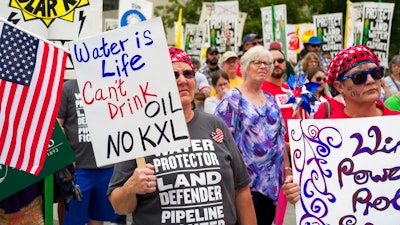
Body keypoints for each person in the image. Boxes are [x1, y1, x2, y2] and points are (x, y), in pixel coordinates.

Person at [107, 47, 257, 225]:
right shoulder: (138, 132)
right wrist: (131, 187)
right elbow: (120, 206)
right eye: (173, 75)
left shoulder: (216, 125)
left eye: (188, 73)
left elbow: (241, 190)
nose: (182, 80)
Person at [283, 45, 400, 204]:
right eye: (360, 77)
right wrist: (296, 190)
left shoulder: (396, 123)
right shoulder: (323, 133)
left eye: (376, 73)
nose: (371, 80)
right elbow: (315, 188)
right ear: (339, 87)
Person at [214, 46, 287, 225]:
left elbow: (280, 139)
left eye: (267, 63)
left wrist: (287, 171)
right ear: (246, 66)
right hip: (245, 186)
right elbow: (218, 138)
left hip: (272, 185)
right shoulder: (233, 99)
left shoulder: (270, 99)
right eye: (258, 62)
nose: (263, 66)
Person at [57, 79, 121, 225]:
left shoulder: (113, 85)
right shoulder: (68, 87)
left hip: (107, 167)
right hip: (77, 169)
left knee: (98, 217)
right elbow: (57, 123)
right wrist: (65, 153)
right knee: (72, 218)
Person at [261, 47, 298, 225]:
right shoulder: (261, 90)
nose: (276, 64)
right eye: (272, 61)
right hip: (274, 158)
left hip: (297, 153)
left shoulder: (291, 89)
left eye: (280, 61)